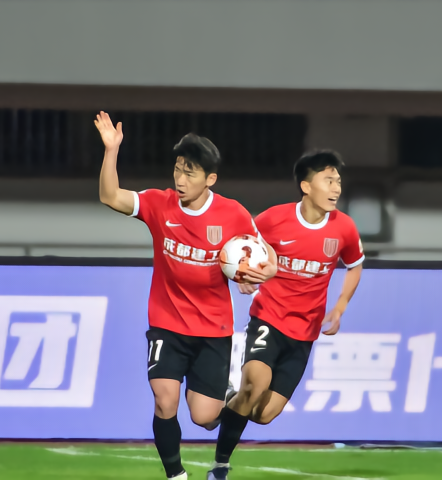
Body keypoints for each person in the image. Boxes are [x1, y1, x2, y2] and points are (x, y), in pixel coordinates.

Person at [94, 111, 277, 479]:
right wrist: (111, 150)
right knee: (165, 399)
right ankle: (176, 475)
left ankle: (223, 399)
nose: (179, 179)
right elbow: (110, 195)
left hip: (212, 329)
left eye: (189, 173)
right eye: (177, 170)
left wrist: (263, 272)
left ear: (210, 179)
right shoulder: (159, 204)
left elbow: (265, 253)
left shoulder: (233, 214)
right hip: (167, 323)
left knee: (203, 417)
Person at [208, 150, 365, 480]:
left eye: (338, 181)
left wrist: (340, 305)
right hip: (268, 318)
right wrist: (242, 275)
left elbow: (355, 265)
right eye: (328, 180)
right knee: (255, 385)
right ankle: (220, 466)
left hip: (305, 333)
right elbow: (240, 247)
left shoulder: (344, 228)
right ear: (306, 186)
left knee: (264, 414)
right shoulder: (274, 219)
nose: (336, 188)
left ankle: (228, 402)